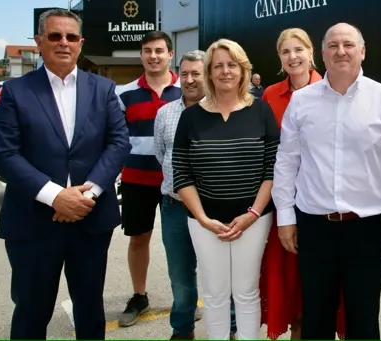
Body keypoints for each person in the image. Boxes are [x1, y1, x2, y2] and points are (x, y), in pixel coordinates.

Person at [272, 22, 381, 340]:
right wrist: (285, 216)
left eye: (349, 44)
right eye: (334, 45)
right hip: (313, 226)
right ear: (322, 53)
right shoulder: (302, 101)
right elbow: (286, 163)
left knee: (363, 318)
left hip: (367, 228)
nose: (341, 51)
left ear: (363, 51)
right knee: (316, 317)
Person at [0, 8, 131, 340]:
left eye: (71, 37)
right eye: (55, 36)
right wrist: (55, 196)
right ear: (39, 42)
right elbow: (4, 154)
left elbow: (118, 143)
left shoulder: (103, 89)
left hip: (90, 217)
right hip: (34, 221)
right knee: (31, 310)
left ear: (81, 43)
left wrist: (88, 194)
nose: (63, 43)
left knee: (90, 310)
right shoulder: (16, 91)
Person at [173, 39, 278, 340]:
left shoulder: (261, 111)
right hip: (205, 221)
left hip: (254, 219)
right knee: (216, 293)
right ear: (208, 71)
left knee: (246, 292)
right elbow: (181, 172)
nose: (225, 71)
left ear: (243, 69)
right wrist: (203, 219)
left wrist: (253, 213)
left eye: (231, 64)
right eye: (217, 65)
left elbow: (272, 169)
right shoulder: (191, 117)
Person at [259, 28, 346, 340]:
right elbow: (269, 151)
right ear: (280, 58)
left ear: (311, 52)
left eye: (299, 49)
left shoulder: (332, 88)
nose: (293, 56)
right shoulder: (270, 95)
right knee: (292, 279)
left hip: (323, 200)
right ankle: (298, 332)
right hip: (286, 202)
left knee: (326, 281)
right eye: (286, 52)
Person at [155, 50, 236, 340]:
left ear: (209, 74)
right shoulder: (165, 113)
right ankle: (182, 329)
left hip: (216, 207)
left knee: (223, 275)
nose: (189, 80)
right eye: (184, 73)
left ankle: (231, 329)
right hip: (175, 208)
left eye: (196, 73)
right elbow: (162, 156)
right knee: (180, 275)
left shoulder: (224, 111)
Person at [116, 31, 183, 327]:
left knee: (182, 242)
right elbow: (116, 139)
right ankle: (139, 295)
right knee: (139, 239)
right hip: (136, 180)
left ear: (170, 54)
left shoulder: (189, 89)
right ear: (141, 55)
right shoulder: (123, 93)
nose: (153, 56)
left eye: (159, 50)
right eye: (147, 51)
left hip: (180, 183)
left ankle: (184, 296)